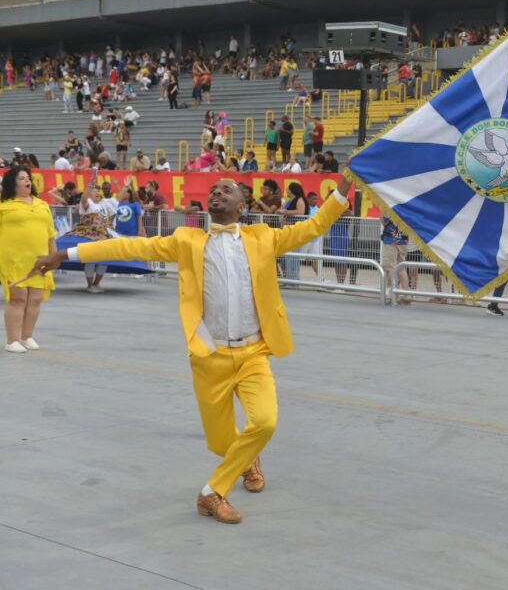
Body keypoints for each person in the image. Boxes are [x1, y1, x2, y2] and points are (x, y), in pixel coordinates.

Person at [26, 176, 353, 523]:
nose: (217, 192)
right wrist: (66, 254)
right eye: (213, 190)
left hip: (254, 353)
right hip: (210, 357)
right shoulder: (186, 240)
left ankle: (212, 493)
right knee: (221, 443)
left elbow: (315, 225)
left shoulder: (265, 237)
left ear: (242, 205)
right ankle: (246, 461)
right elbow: (129, 247)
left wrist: (345, 187)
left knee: (265, 421)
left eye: (226, 190)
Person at [0, 167, 57, 353]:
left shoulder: (42, 205)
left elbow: (51, 235)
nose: (27, 181)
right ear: (12, 183)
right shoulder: (4, 205)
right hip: (14, 259)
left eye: (28, 178)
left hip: (39, 258)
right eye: (22, 178)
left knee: (35, 298)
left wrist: (54, 256)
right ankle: (12, 340)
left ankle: (27, 336)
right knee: (18, 298)